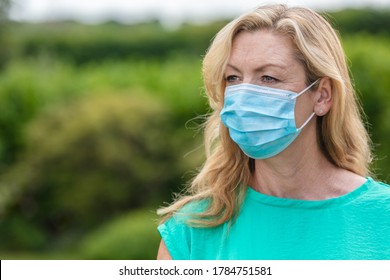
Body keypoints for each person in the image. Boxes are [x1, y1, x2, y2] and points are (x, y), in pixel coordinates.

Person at [156, 4, 390, 260]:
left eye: (268, 78)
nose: (244, 95)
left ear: (322, 95)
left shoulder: (382, 216)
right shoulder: (190, 232)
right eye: (232, 78)